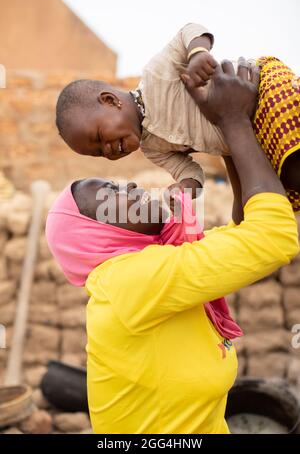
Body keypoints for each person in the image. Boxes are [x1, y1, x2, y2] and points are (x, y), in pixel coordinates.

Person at [46, 61, 299, 434]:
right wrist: (234, 120)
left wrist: (223, 139)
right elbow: (272, 236)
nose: (130, 187)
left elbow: (243, 231)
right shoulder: (130, 282)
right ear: (94, 234)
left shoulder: (149, 265)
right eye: (109, 194)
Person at [55, 23, 300, 212]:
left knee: (291, 171)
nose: (107, 149)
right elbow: (189, 171)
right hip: (246, 135)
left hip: (259, 90)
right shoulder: (153, 149)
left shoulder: (156, 77)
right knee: (269, 198)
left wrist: (197, 54)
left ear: (110, 101)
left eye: (99, 137)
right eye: (99, 153)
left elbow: (189, 31)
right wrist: (184, 189)